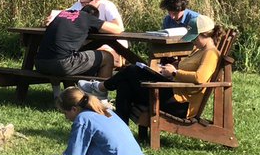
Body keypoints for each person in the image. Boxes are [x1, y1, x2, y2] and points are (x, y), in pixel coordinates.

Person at [79, 15, 221, 129]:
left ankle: (100, 88)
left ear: (205, 34)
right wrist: (167, 69)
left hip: (181, 104)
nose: (193, 41)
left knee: (132, 70)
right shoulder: (199, 50)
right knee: (125, 83)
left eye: (194, 38)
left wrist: (174, 73)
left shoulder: (211, 53)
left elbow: (200, 78)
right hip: (173, 92)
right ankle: (120, 128)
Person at [50, 87, 147, 155]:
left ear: (74, 109)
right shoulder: (106, 111)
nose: (66, 117)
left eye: (65, 113)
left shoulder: (83, 119)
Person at [36, 1, 125, 79]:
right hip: (61, 65)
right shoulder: (87, 17)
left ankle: (61, 94)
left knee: (66, 54)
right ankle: (100, 95)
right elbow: (117, 29)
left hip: (40, 64)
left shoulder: (62, 14)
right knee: (107, 57)